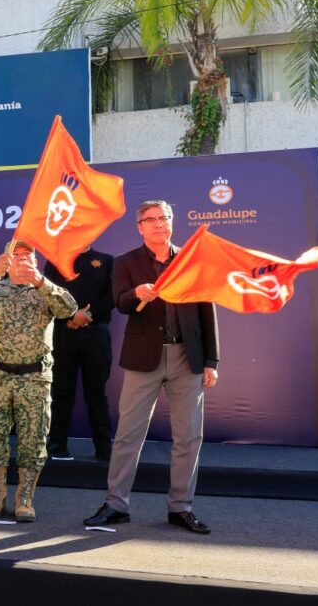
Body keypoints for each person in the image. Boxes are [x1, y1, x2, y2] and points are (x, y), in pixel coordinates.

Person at [85, 200, 220, 534]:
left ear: (172, 222)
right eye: (151, 219)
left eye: (165, 218)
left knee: (188, 437)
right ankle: (116, 504)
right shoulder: (126, 262)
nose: (159, 224)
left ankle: (181, 508)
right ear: (140, 227)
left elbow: (208, 310)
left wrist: (211, 361)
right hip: (143, 359)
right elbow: (120, 302)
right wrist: (137, 293)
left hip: (186, 357)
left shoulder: (191, 259)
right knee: (129, 436)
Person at [0, 240, 76, 522]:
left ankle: (24, 500)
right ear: (7, 259)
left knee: (33, 442)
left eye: (28, 256)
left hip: (34, 379)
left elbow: (68, 309)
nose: (22, 260)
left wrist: (41, 282)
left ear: (36, 261)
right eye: (17, 256)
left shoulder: (45, 290)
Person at [43, 247, 115, 461]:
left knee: (97, 394)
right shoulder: (56, 259)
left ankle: (103, 448)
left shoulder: (106, 259)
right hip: (63, 335)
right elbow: (46, 293)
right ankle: (57, 445)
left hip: (96, 336)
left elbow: (112, 295)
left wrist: (88, 315)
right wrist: (72, 316)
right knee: (61, 393)